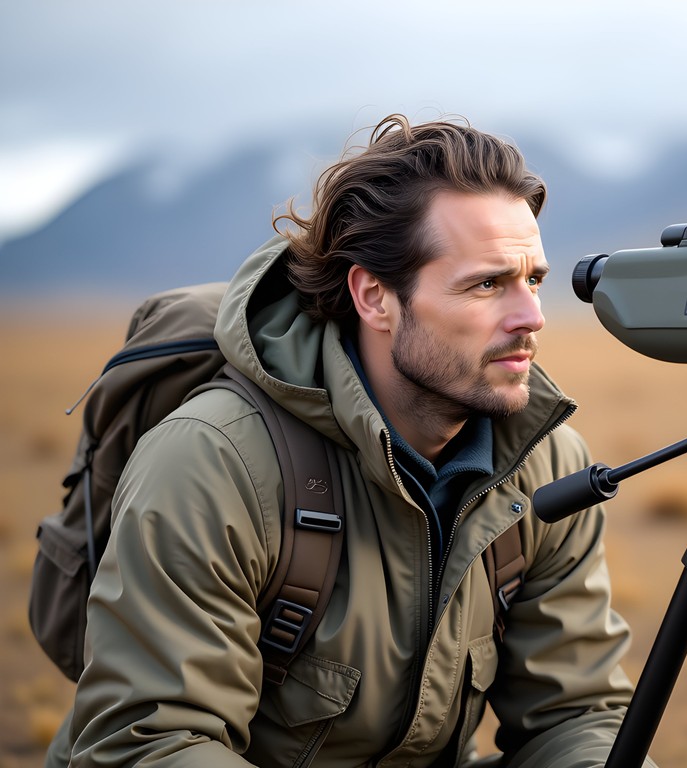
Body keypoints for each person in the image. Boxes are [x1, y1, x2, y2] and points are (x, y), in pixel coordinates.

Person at [49, 115, 655, 767]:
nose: (532, 316)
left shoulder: (546, 464)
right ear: (374, 297)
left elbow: (576, 713)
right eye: (487, 283)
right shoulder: (214, 463)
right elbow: (152, 742)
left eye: (532, 279)